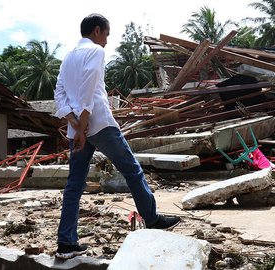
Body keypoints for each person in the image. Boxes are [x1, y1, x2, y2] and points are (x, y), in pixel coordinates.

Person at [53, 13, 180, 260]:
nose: (107, 42)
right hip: (98, 124)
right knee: (132, 170)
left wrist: (74, 123)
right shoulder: (96, 52)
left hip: (77, 128)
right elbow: (89, 89)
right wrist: (84, 124)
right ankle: (152, 220)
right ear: (98, 31)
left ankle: (66, 243)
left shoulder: (68, 57)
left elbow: (59, 93)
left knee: (74, 185)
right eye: (107, 35)